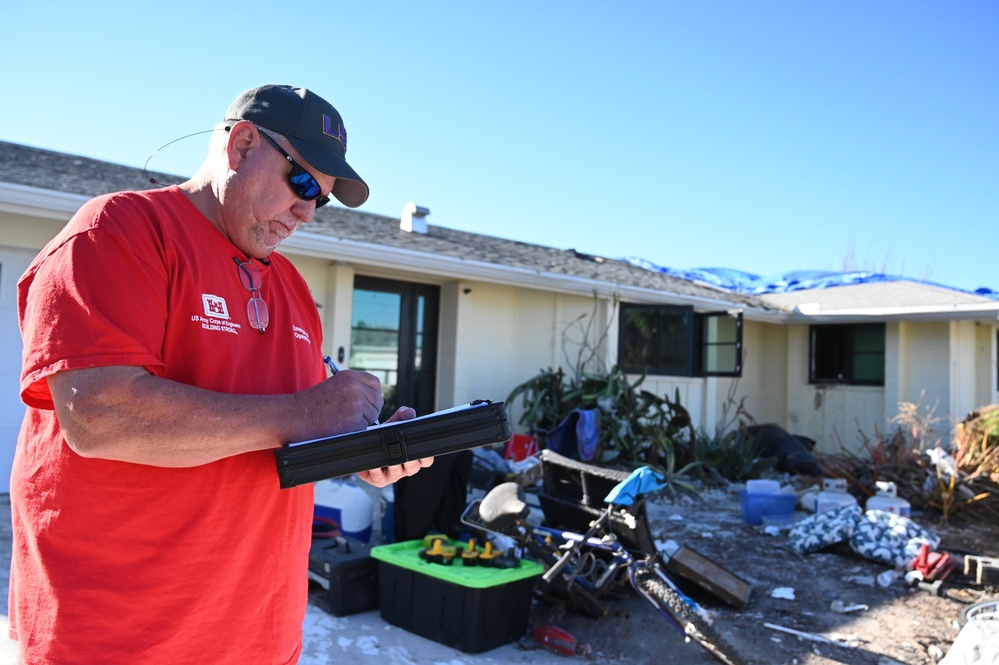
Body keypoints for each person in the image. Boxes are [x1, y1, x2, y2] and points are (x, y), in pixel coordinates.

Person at [9, 84, 433, 664]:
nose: (307, 210)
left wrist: (361, 450)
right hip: (118, 641)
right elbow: (99, 415)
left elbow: (287, 434)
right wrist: (308, 412)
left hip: (260, 637)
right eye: (303, 183)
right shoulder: (120, 231)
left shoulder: (292, 290)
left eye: (322, 200)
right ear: (242, 144)